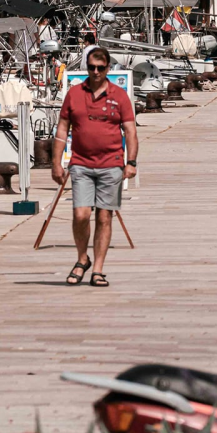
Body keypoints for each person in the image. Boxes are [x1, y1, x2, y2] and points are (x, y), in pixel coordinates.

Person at [52, 47, 138, 288]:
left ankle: (98, 269)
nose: (96, 72)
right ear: (86, 68)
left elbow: (130, 131)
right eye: (91, 67)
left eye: (101, 68)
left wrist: (131, 162)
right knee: (81, 215)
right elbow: (62, 129)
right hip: (81, 164)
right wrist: (56, 163)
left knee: (104, 217)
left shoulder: (119, 95)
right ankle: (82, 259)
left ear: (108, 68)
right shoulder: (74, 94)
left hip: (111, 165)